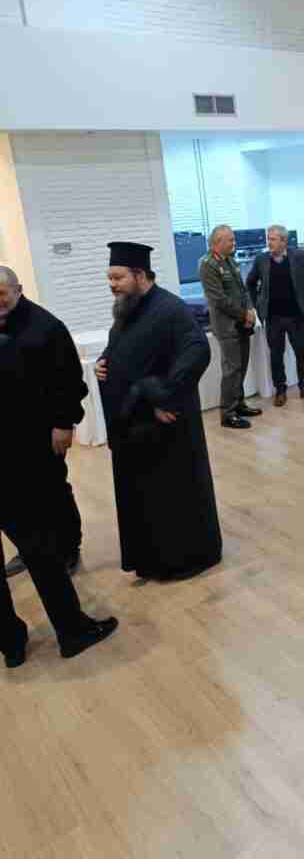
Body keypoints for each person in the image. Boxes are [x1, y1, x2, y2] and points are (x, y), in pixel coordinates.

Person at [0, 266, 118, 666]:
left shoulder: (46, 327)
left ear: (18, 290)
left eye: (1, 293)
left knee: (47, 517)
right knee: (37, 543)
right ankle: (19, 640)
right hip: (9, 457)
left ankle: (68, 551)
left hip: (30, 445)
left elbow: (70, 382)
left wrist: (63, 422)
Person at [97, 242, 222, 580]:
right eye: (109, 278)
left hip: (165, 426)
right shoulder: (127, 308)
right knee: (145, 498)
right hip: (135, 426)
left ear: (140, 275)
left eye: (118, 278)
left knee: (171, 498)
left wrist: (163, 396)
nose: (112, 285)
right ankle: (150, 559)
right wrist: (103, 364)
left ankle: (181, 561)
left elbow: (197, 351)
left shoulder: (170, 309)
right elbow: (120, 348)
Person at [198, 225, 261, 430]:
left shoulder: (230, 260)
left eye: (233, 239)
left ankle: (239, 404)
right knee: (232, 369)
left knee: (241, 366)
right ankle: (228, 413)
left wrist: (250, 309)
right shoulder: (207, 264)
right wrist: (244, 314)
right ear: (217, 242)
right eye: (230, 240)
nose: (234, 243)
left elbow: (243, 290)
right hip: (226, 325)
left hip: (242, 321)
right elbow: (219, 299)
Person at [247, 225, 304, 407]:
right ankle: (280, 390)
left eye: (273, 239)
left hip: (296, 316)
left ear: (284, 241)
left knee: (301, 352)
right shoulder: (261, 260)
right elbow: (250, 283)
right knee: (276, 355)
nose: (269, 242)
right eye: (268, 239)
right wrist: (257, 304)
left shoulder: (299, 256)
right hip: (273, 318)